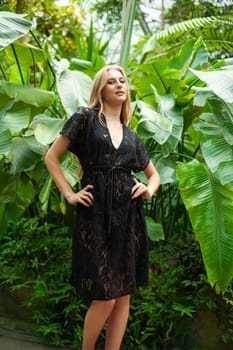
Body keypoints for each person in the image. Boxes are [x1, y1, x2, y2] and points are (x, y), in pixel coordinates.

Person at [45, 64, 160, 350]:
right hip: (96, 217)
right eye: (111, 81)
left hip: (129, 218)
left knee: (123, 295)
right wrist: (69, 194)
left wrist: (148, 189)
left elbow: (154, 175)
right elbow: (51, 157)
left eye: (123, 80)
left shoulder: (132, 136)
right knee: (106, 295)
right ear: (101, 89)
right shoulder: (85, 119)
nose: (120, 85)